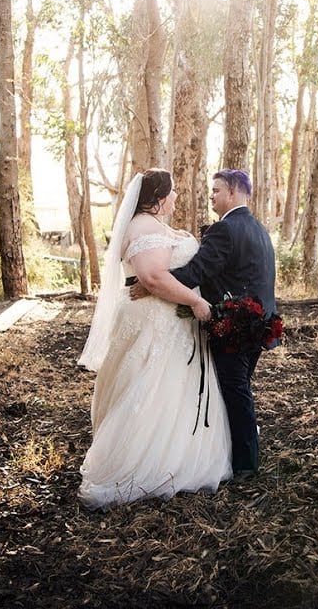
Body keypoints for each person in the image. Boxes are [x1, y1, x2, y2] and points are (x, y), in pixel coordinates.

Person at [75, 169, 232, 509]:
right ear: (160, 196)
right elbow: (152, 277)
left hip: (170, 322)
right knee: (150, 386)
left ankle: (181, 456)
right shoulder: (142, 226)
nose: (177, 198)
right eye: (173, 192)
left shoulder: (155, 226)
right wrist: (195, 301)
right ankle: (145, 464)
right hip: (156, 321)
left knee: (174, 388)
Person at [133, 168, 276, 481]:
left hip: (234, 325)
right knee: (238, 388)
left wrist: (152, 284)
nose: (211, 196)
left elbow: (197, 271)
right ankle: (236, 451)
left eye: (216, 190)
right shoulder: (259, 229)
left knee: (235, 390)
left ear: (234, 192)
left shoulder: (224, 230)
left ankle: (245, 463)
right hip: (260, 325)